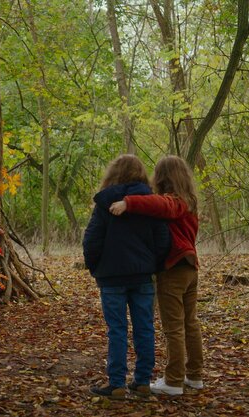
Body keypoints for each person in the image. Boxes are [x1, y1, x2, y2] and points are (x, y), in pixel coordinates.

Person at [109, 155, 204, 396]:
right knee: (190, 323)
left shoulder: (175, 202)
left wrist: (128, 203)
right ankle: (194, 376)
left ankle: (173, 381)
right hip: (190, 267)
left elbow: (162, 205)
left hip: (175, 269)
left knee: (174, 327)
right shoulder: (189, 201)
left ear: (162, 177)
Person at [83, 155, 170, 400]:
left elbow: (91, 240)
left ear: (113, 173)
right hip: (142, 276)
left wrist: (96, 268)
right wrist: (154, 265)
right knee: (144, 327)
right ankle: (142, 381)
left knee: (117, 330)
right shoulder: (151, 203)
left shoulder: (105, 203)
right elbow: (163, 239)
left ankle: (117, 383)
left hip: (111, 278)